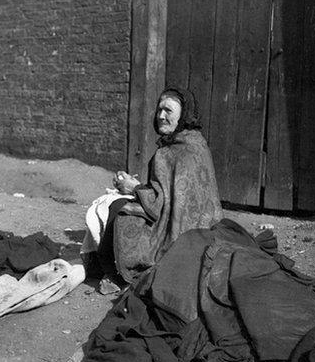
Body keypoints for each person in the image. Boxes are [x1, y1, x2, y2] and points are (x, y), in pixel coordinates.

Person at [95, 87, 223, 292]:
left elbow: (158, 207)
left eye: (168, 111)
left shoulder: (173, 153)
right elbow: (170, 196)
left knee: (117, 207)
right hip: (205, 234)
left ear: (184, 115)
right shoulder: (197, 143)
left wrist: (133, 187)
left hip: (174, 235)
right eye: (159, 110)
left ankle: (115, 275)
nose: (161, 116)